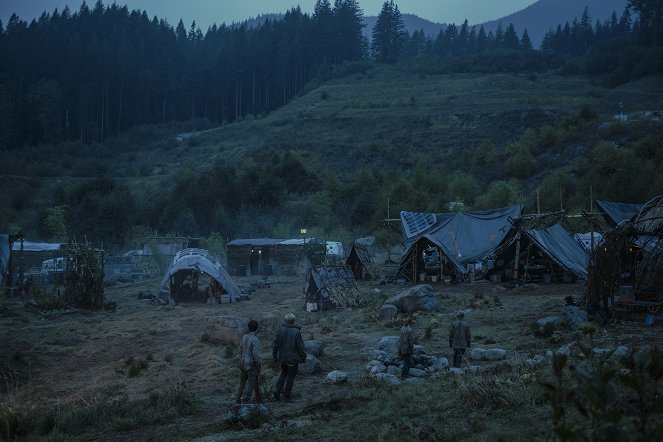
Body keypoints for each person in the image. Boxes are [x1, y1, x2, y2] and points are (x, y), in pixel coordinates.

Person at [272, 313, 306, 402]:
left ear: (285, 320)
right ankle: (287, 397)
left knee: (283, 374)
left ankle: (277, 392)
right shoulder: (297, 332)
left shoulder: (280, 330)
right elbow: (301, 347)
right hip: (293, 359)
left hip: (282, 358)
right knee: (290, 377)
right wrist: (303, 358)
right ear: (294, 321)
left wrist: (275, 357)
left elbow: (275, 345)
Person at [236, 319, 262, 404]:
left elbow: (240, 350)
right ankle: (245, 400)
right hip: (251, 365)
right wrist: (258, 364)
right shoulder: (255, 339)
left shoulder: (244, 337)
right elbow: (256, 355)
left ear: (249, 327)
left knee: (242, 383)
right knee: (251, 383)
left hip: (242, 363)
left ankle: (238, 400)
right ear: (256, 328)